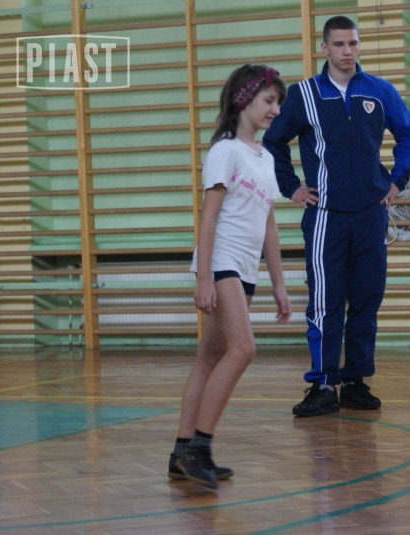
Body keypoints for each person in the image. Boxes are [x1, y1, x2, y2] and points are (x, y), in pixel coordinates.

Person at [263, 15, 410, 417]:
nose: (347, 51)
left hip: (370, 214)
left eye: (353, 43)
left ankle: (355, 382)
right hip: (325, 217)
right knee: (324, 302)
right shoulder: (304, 94)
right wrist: (291, 187)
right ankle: (322, 384)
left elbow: (409, 134)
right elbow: (274, 141)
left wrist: (397, 182)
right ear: (324, 48)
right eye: (339, 44)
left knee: (366, 299)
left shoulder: (380, 91)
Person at [169, 64, 292, 488]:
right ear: (244, 99)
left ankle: (181, 451)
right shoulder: (225, 150)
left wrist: (279, 284)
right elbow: (209, 218)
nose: (275, 109)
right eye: (269, 100)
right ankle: (199, 448)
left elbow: (269, 225)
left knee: (209, 357)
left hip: (245, 268)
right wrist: (203, 278)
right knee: (243, 349)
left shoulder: (265, 157)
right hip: (221, 263)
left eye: (278, 103)